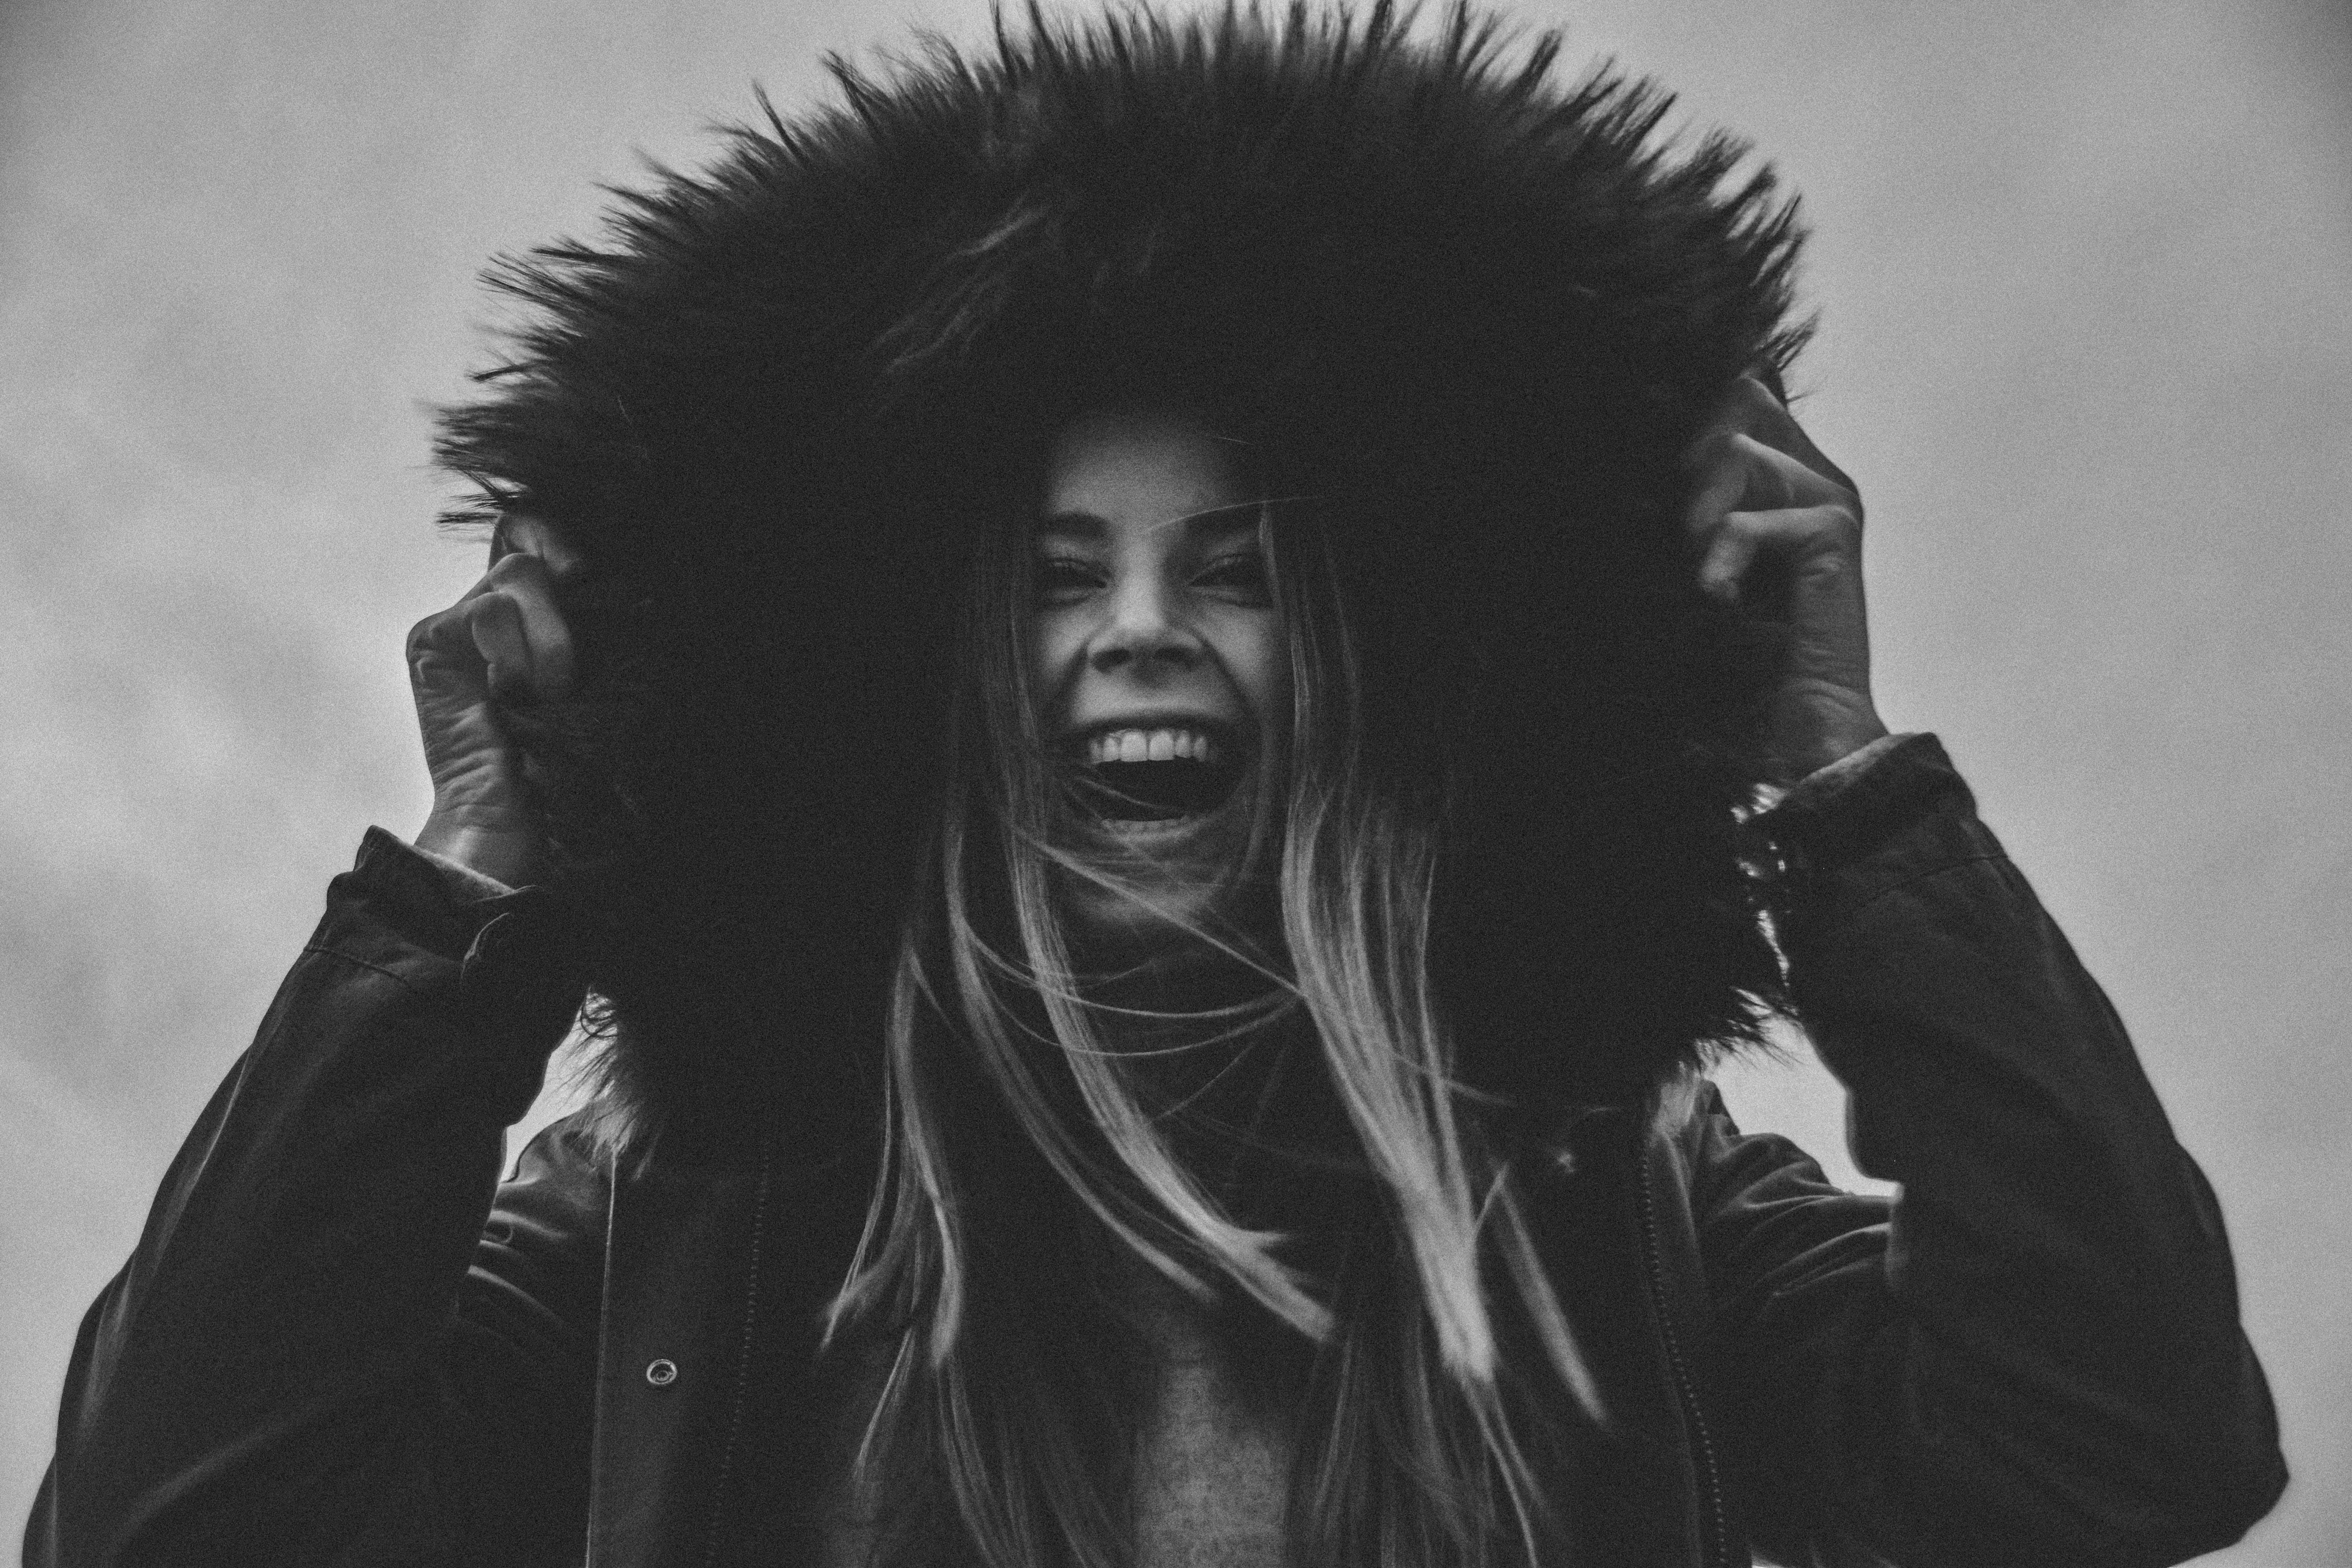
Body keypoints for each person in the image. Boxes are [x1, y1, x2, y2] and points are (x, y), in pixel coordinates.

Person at [26, 6, 2285, 1567]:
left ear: (1359, 666)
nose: (1137, 630)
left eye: (1236, 569)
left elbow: (2129, 1444)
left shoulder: (1622, 1207)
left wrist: (1831, 772)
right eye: (1052, 575)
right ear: (940, 665)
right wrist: (483, 890)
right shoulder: (670, 1233)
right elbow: (171, 1530)